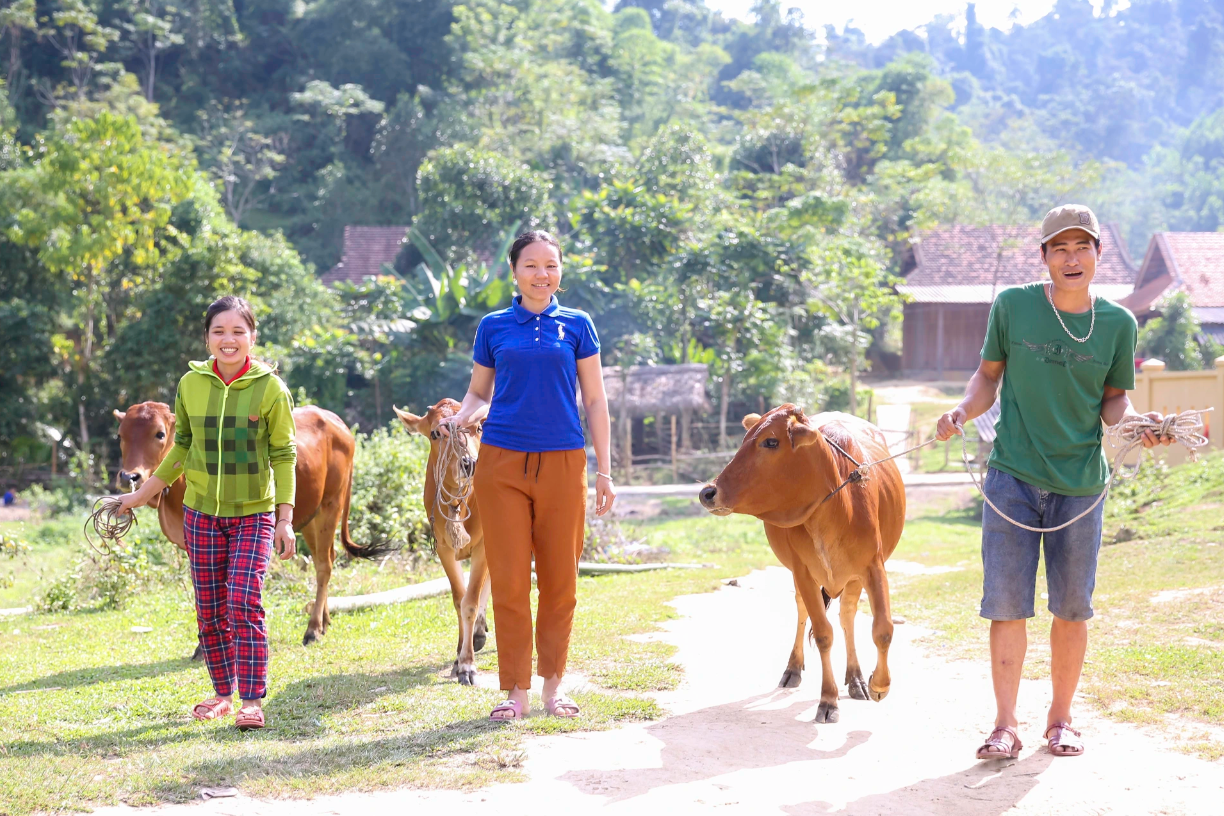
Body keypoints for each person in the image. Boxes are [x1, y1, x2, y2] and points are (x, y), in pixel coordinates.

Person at [936, 205, 1169, 759]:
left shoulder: (1118, 322)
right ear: (1043, 257)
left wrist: (1135, 423)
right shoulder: (1013, 306)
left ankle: (1061, 719)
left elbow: (1114, 399)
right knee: (1007, 604)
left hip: (1081, 484)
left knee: (1071, 607)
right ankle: (1005, 724)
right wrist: (961, 412)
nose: (1071, 258)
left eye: (1081, 247)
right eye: (1059, 248)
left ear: (1097, 254)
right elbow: (987, 376)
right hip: (1013, 477)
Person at [445, 230, 616, 721]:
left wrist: (604, 469)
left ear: (560, 270)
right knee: (512, 580)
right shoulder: (494, 326)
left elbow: (597, 400)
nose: (543, 275)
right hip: (501, 464)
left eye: (552, 265)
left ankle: (552, 688)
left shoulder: (578, 325)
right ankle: (515, 692)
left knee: (561, 582)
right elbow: (479, 392)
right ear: (514, 271)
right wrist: (463, 416)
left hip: (564, 462)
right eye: (532, 266)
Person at [116, 295, 297, 731]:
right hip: (201, 514)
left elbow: (285, 455)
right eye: (219, 331)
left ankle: (251, 701)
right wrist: (144, 495)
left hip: (254, 513)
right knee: (210, 607)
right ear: (207, 338)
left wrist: (285, 519)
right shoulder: (190, 384)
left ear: (252, 336)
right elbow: (181, 447)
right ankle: (221, 693)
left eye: (237, 331)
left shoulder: (270, 388)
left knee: (243, 600)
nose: (228, 340)